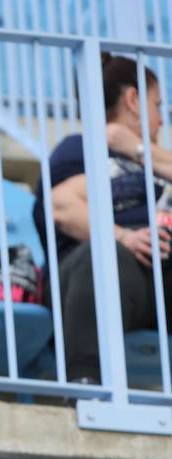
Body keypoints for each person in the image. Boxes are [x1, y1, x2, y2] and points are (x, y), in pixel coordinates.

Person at [34, 53, 172, 385]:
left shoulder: (160, 159)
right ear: (133, 100)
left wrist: (139, 150)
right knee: (104, 258)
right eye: (157, 105)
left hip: (161, 270)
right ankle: (86, 387)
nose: (161, 120)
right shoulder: (78, 150)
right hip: (96, 276)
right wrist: (123, 237)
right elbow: (61, 207)